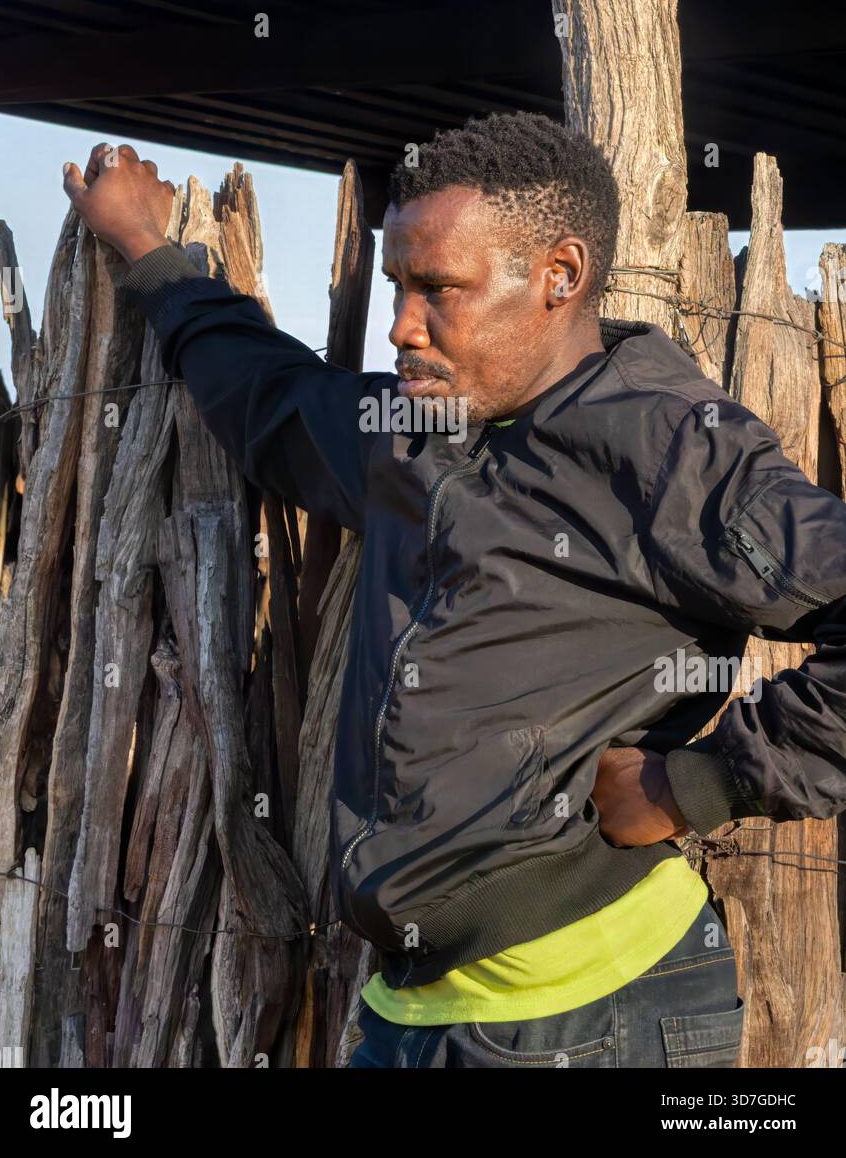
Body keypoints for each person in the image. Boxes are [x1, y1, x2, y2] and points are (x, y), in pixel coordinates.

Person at [62, 111, 846, 1069]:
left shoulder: (671, 451)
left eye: (441, 290)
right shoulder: (417, 429)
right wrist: (147, 247)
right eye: (398, 285)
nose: (401, 325)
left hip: (595, 1017)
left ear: (559, 276)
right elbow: (270, 401)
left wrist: (699, 782)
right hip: (408, 1015)